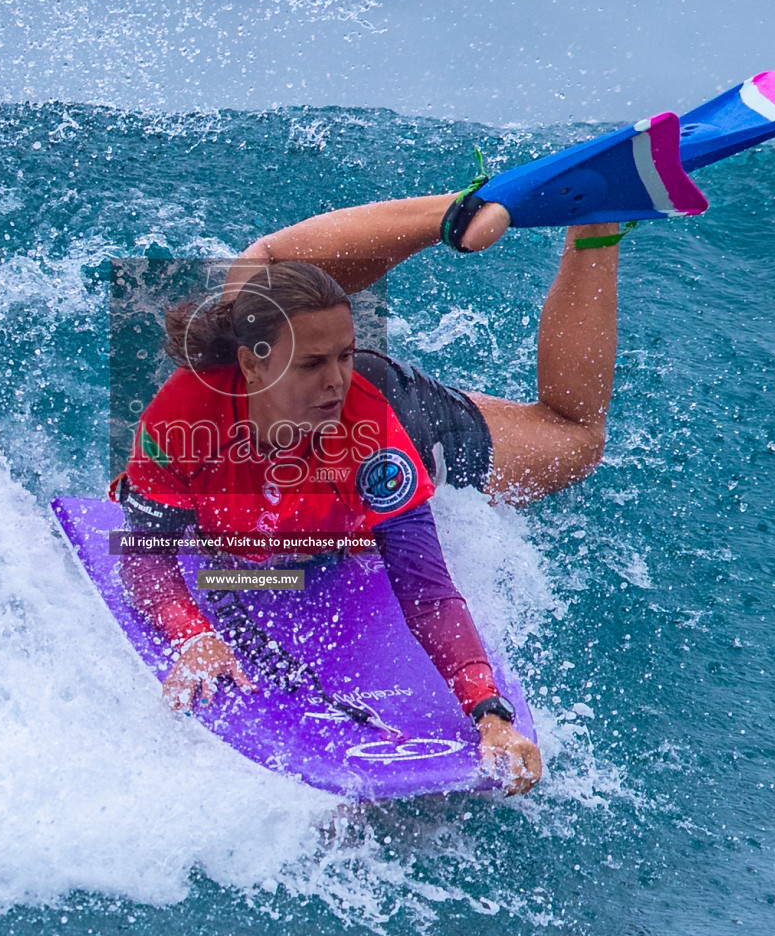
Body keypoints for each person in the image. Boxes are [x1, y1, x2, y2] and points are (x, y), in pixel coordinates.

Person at [112, 191, 624, 797]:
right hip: (278, 433)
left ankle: (598, 223)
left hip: (407, 416)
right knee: (257, 274)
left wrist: (489, 713)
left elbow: (425, 588)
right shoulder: (183, 417)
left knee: (574, 438)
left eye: (343, 358)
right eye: (313, 365)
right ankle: (460, 209)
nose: (333, 380)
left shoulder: (375, 442)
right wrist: (192, 635)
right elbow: (144, 553)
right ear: (252, 366)